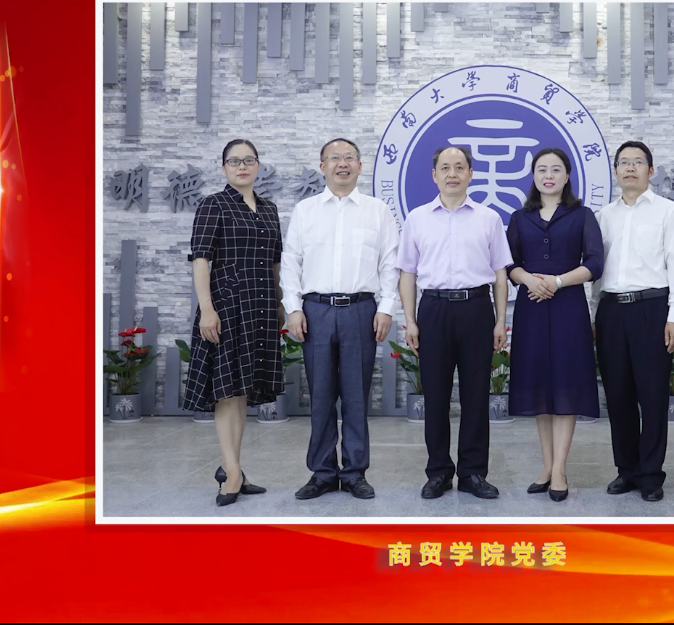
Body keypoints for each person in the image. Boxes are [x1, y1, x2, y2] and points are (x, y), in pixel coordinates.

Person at [280, 138, 399, 501]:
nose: (342, 163)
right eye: (334, 158)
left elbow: (390, 263)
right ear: (323, 167)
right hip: (315, 311)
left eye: (349, 157)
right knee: (320, 395)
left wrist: (386, 307)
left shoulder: (377, 211)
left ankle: (354, 473)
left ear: (360, 166)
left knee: (356, 396)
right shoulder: (306, 211)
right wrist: (293, 307)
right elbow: (291, 262)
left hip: (361, 311)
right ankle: (322, 472)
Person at [397, 145, 513, 500]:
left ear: (470, 174)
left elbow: (500, 275)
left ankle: (473, 472)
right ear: (434, 175)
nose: (452, 174)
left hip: (476, 308)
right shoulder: (417, 219)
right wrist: (410, 320)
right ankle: (438, 472)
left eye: (459, 167)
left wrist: (500, 321)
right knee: (435, 394)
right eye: (445, 168)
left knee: (477, 393)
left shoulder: (488, 218)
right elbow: (407, 274)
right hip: (433, 309)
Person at [183, 139, 284, 507]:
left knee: (241, 391)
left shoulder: (269, 209)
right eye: (234, 161)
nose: (242, 166)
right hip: (226, 306)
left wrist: (279, 302)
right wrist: (207, 309)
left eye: (249, 160)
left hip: (261, 306)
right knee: (226, 392)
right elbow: (200, 259)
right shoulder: (213, 205)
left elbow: (275, 261)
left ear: (258, 166)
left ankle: (233, 468)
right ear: (224, 167)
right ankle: (232, 472)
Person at [592, 141, 674, 503]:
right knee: (617, 395)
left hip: (651, 309)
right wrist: (593, 313)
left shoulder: (668, 211)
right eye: (624, 162)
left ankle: (651, 474)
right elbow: (596, 271)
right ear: (616, 171)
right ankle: (627, 470)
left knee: (652, 396)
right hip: (611, 311)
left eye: (637, 162)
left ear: (650, 170)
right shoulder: (603, 216)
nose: (630, 167)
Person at [506, 148, 604, 502]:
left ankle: (560, 468)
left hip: (568, 308)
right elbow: (508, 263)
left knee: (565, 385)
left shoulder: (582, 215)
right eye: (542, 169)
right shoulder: (520, 217)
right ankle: (547, 466)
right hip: (531, 308)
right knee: (540, 388)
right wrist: (530, 280)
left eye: (556, 169)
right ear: (533, 176)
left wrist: (557, 282)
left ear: (567, 176)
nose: (549, 175)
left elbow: (595, 263)